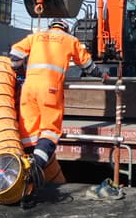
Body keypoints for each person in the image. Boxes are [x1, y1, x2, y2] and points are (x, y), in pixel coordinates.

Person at [9, 19, 103, 179]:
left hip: (29, 88)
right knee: (50, 130)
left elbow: (15, 54)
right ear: (66, 29)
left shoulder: (36, 36)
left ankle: (25, 167)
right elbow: (87, 64)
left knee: (28, 131)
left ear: (51, 27)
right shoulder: (70, 40)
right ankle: (36, 168)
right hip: (50, 89)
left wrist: (20, 71)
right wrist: (101, 75)